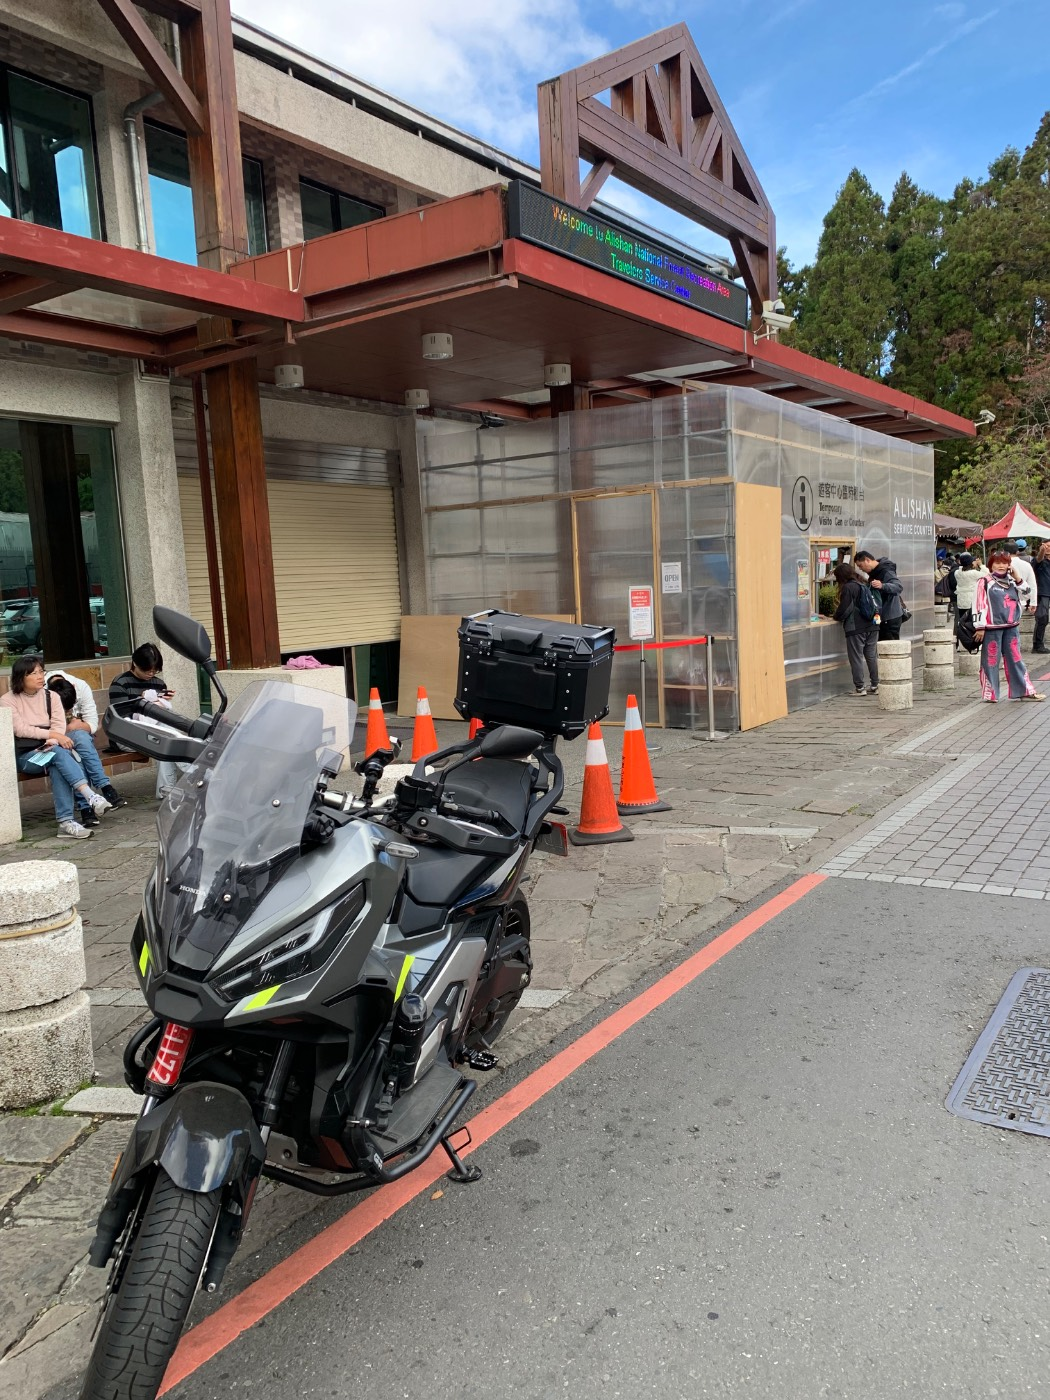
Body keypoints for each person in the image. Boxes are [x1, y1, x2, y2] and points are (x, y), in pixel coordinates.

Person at [1, 655, 112, 838]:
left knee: (57, 761)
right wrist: (53, 737)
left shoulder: (51, 696)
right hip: (27, 757)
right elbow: (21, 729)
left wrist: (52, 741)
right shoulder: (8, 700)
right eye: (34, 673)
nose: (40, 676)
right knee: (59, 754)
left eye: (41, 671)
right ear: (21, 677)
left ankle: (66, 823)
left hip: (50, 750)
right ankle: (90, 796)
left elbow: (59, 725)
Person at [106, 642, 186, 798]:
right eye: (147, 670)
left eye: (155, 670)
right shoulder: (120, 683)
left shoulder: (158, 683)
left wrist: (161, 702)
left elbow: (162, 715)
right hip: (125, 735)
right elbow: (121, 719)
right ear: (135, 664)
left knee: (164, 742)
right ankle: (194, 771)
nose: (151, 673)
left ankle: (166, 793)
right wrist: (142, 700)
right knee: (166, 739)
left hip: (154, 733)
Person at [46, 675, 126, 826]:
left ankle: (89, 806)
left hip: (76, 737)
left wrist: (79, 726)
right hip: (52, 741)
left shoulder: (81, 687)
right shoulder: (41, 692)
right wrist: (67, 729)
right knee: (73, 752)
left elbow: (92, 724)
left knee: (81, 740)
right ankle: (103, 791)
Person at [973, 552, 1045, 703]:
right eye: (997, 563)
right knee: (991, 660)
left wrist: (1018, 577)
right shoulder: (984, 581)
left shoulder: (1012, 581)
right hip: (992, 628)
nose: (1001, 566)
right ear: (991, 565)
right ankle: (991, 693)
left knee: (1016, 659)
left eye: (1004, 563)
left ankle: (1024, 691)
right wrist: (980, 627)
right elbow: (979, 604)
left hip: (1011, 627)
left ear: (1009, 565)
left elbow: (1027, 593)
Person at [832, 561, 878, 696]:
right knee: (871, 656)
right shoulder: (863, 584)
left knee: (856, 657)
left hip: (856, 627)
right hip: (873, 625)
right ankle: (876, 685)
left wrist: (835, 617)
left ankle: (860, 688)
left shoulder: (848, 587)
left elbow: (845, 608)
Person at [855, 550, 905, 641]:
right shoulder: (874, 572)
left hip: (890, 617)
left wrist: (882, 585)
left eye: (860, 565)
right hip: (880, 616)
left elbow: (898, 587)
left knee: (889, 646)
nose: (860, 569)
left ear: (867, 560)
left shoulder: (886, 570)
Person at [951, 552, 988, 652]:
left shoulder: (957, 573)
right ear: (971, 562)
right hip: (971, 601)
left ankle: (960, 644)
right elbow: (986, 574)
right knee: (973, 623)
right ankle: (975, 643)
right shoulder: (974, 573)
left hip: (961, 601)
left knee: (962, 623)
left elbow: (960, 569)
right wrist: (981, 565)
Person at [1032, 540, 1050, 654]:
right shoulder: (1039, 561)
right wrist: (1042, 551)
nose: (1048, 548)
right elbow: (1038, 559)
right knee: (1042, 618)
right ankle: (1037, 645)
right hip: (1043, 593)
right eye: (1046, 546)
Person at [1009, 540, 1037, 614]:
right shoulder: (1028, 562)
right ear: (1017, 552)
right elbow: (1032, 585)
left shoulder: (1000, 565)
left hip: (1004, 601)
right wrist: (1033, 602)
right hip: (1022, 600)